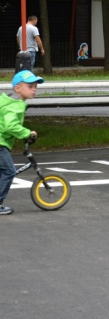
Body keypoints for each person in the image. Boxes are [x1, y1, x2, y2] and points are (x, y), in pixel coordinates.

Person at [0, 70, 44, 216]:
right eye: (30, 86)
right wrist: (27, 133)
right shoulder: (16, 104)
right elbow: (10, 126)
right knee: (9, 171)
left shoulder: (7, 100)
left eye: (35, 87)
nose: (34, 89)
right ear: (17, 88)